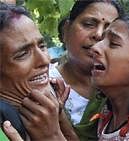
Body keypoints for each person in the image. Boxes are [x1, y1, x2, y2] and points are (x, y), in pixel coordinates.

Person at [0, 2, 78, 141]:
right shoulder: (5, 128)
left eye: (42, 46)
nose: (45, 60)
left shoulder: (40, 112)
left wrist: (59, 118)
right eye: (23, 54)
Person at [49, 0, 124, 140]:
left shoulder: (126, 92)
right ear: (66, 30)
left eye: (110, 31)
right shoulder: (41, 84)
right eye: (89, 24)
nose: (99, 34)